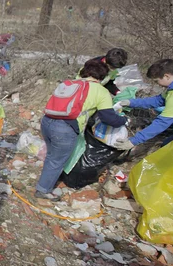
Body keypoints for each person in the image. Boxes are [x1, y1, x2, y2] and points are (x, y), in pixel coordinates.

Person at [35, 60, 127, 200]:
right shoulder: (101, 91)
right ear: (103, 76)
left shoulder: (71, 84)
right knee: (56, 160)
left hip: (47, 122)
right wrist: (123, 120)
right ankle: (43, 190)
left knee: (53, 156)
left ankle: (47, 181)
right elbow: (108, 118)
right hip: (65, 128)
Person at [114, 59, 173, 150]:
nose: (158, 85)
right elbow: (158, 100)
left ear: (166, 76)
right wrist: (131, 102)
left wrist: (134, 141)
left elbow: (162, 123)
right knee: (166, 147)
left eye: (157, 81)